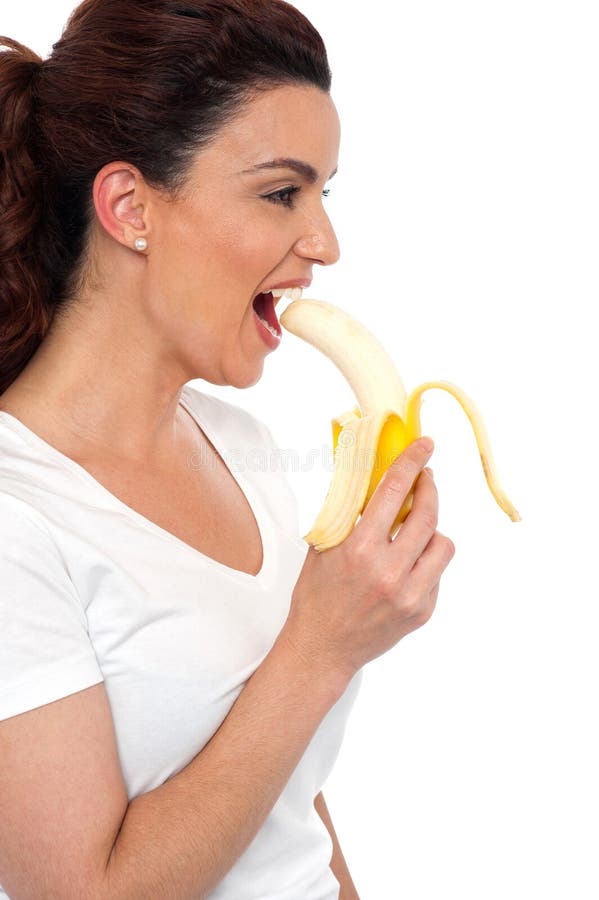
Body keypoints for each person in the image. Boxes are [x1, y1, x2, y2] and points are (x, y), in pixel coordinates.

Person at [0, 1, 456, 897]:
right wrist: (322, 645)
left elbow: (289, 806)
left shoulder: (244, 449)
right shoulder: (17, 516)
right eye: (282, 192)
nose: (324, 243)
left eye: (325, 194)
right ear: (130, 207)